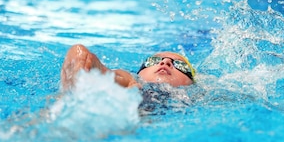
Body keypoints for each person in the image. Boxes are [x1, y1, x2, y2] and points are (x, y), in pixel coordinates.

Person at [60, 44, 195, 92]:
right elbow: (106, 74)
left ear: (191, 82)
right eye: (153, 60)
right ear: (140, 72)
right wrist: (82, 59)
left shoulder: (198, 97)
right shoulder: (132, 81)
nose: (165, 62)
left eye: (180, 65)